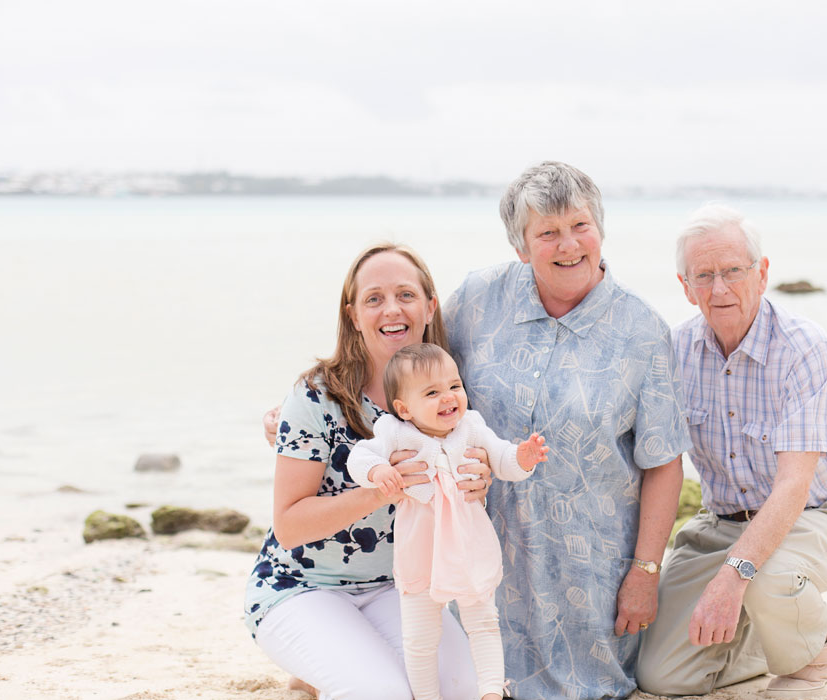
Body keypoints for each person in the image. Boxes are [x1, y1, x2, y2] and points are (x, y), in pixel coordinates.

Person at [444, 161, 692, 699]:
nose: (568, 245)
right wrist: (310, 403)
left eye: (580, 226)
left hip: (589, 579)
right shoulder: (474, 302)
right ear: (521, 245)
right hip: (483, 561)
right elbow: (405, 374)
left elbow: (664, 462)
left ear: (600, 229)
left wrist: (646, 572)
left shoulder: (643, 332)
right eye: (547, 232)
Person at [636, 203, 827, 697]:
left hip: (817, 519)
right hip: (720, 525)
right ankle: (766, 634)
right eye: (704, 275)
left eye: (733, 271)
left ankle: (815, 649)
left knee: (765, 579)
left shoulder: (804, 347)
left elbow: (793, 486)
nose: (719, 289)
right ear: (685, 286)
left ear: (761, 274)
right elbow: (656, 465)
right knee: (661, 676)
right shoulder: (675, 351)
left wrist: (732, 577)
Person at [244, 243, 493, 700]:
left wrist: (483, 477)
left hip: (401, 588)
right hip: (302, 585)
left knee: (468, 690)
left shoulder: (450, 393)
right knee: (381, 693)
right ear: (353, 316)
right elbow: (290, 525)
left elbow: (472, 468)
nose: (392, 309)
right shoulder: (315, 397)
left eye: (405, 294)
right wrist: (380, 491)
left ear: (429, 306)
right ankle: (320, 670)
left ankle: (321, 672)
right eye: (374, 299)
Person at [348, 342, 549, 700]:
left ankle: (490, 692)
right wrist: (378, 470)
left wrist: (523, 456)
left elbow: (502, 459)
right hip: (419, 553)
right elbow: (359, 457)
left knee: (484, 623)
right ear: (403, 408)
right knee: (421, 638)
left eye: (454, 386)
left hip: (468, 547)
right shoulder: (394, 431)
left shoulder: (471, 427)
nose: (449, 397)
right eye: (432, 392)